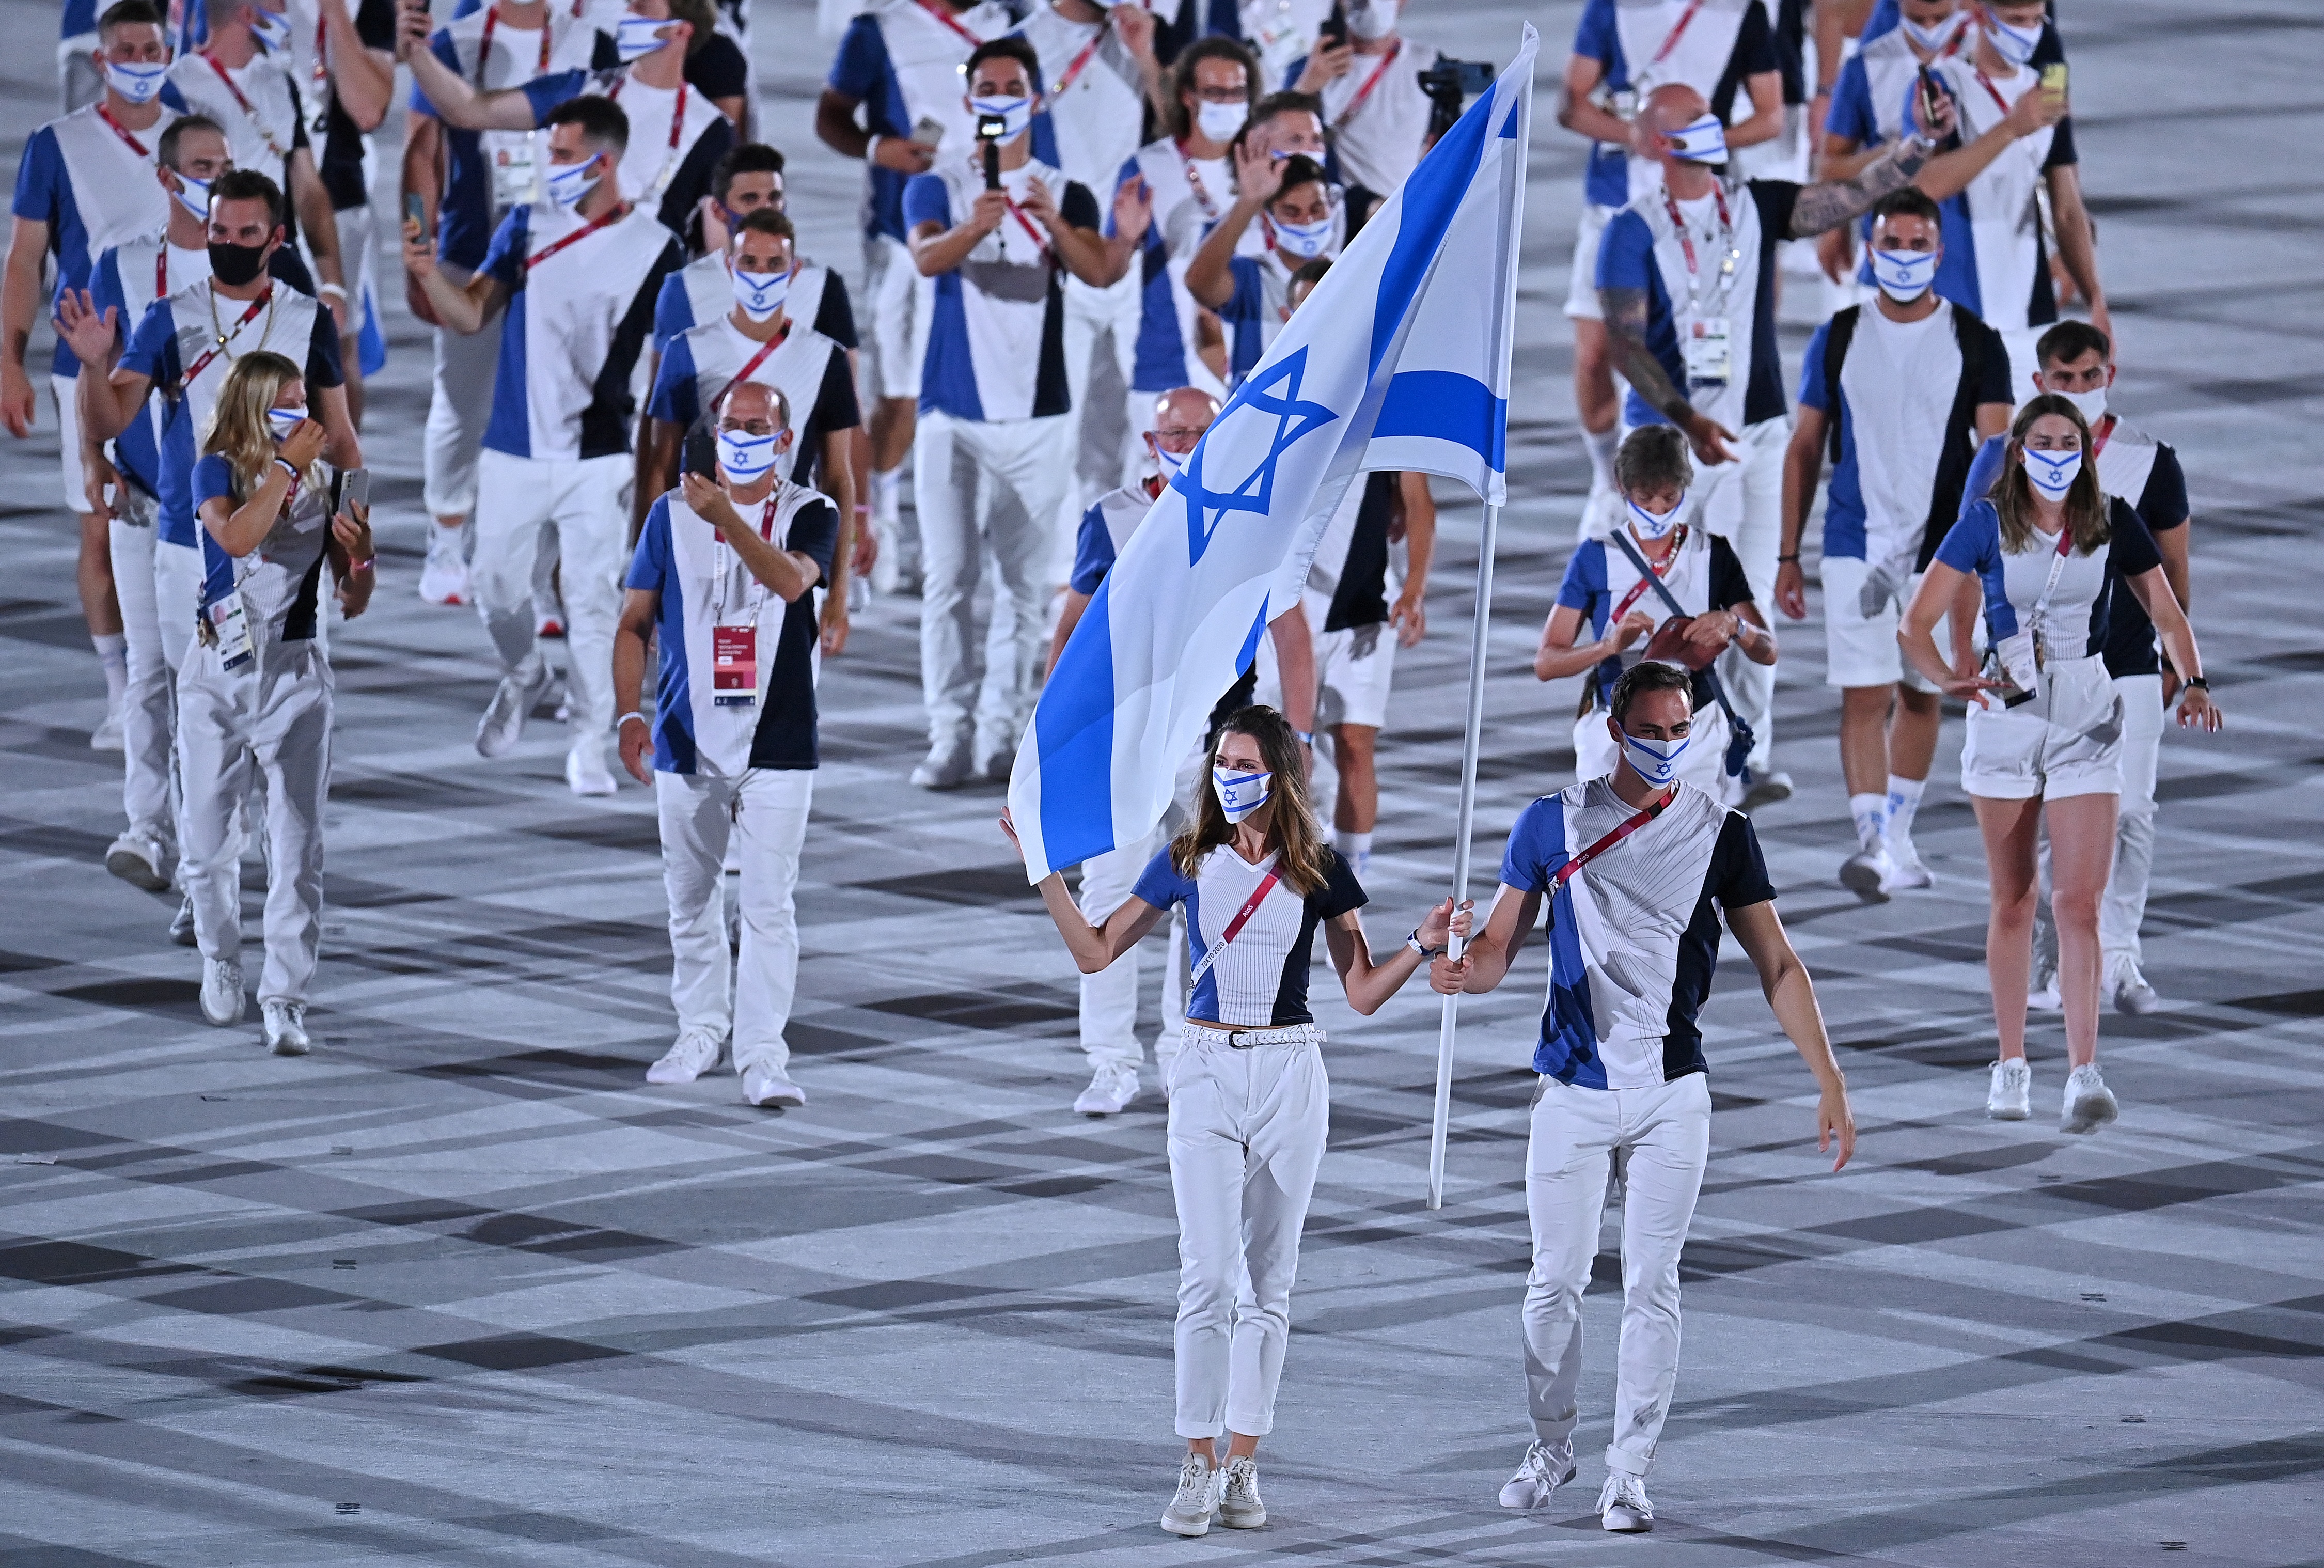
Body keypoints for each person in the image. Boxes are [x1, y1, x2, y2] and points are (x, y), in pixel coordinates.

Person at [1003, 702, 1462, 1538]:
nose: (1230, 774)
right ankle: (1196, 1460)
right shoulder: (1184, 858)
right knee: (1207, 1275)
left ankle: (1243, 1462)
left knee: (1270, 1282)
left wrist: (1423, 945)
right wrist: (1043, 870)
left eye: (1246, 762)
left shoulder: (1316, 868)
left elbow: (1360, 990)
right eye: (1223, 760)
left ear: (1281, 773)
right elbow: (1097, 951)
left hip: (1292, 1068)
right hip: (1205, 1068)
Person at [1432, 658, 1855, 1533]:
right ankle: (1553, 1445)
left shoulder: (1725, 832)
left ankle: (1629, 1472)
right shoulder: (1552, 823)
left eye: (1680, 730)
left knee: (1652, 1287)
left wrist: (1830, 1078)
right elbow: (1501, 950)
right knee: (1553, 1288)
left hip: (1673, 1094)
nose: (1667, 745)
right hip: (1573, 1091)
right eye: (1652, 730)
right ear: (1615, 729)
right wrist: (1461, 970)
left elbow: (1777, 964)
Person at [1596, 80, 1959, 810]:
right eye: (1696, 119)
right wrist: (1687, 419)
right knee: (1668, 604)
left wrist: (1917, 146)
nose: (1713, 126)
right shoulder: (1632, 231)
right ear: (1663, 141)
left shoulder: (1752, 205)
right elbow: (1626, 345)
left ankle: (1747, 750)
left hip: (1757, 435)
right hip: (1670, 448)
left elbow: (1848, 199)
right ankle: (1647, 748)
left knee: (1747, 601)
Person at [1899, 396, 2220, 1133]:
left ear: (2085, 448)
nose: (2055, 452)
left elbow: (2165, 611)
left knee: (2079, 902)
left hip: (2086, 709)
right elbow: (1914, 620)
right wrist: (1948, 675)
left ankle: (2084, 1074)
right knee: (2015, 899)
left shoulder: (2108, 518)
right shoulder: (1985, 521)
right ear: (2018, 451)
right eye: (2042, 440)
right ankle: (2011, 1065)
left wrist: (2194, 680)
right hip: (2007, 715)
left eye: (2067, 440)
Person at [1047, 385, 1322, 1116]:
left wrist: (1300, 735)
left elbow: (1292, 634)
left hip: (1220, 749)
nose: (1189, 442)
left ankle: (1182, 1050)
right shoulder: (1111, 518)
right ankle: (1109, 1061)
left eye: (1203, 430)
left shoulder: (1259, 520)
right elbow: (1073, 629)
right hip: (1129, 740)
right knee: (1109, 893)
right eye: (1177, 432)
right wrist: (1054, 733)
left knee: (1203, 897)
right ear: (1150, 439)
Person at [400, 94, 684, 796]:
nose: (548, 166)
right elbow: (470, 314)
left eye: (561, 155)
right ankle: (526, 673)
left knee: (591, 601)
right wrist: (425, 269)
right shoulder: (526, 225)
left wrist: (656, 471)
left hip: (599, 455)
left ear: (604, 160)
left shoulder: (659, 247)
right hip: (514, 449)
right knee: (494, 589)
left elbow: (665, 370)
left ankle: (591, 740)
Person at [1778, 186, 2012, 896]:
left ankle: (1899, 835)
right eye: (1891, 244)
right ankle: (1874, 842)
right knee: (1864, 693)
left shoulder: (1976, 340)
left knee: (1922, 694)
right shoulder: (1840, 335)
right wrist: (1788, 555)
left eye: (1917, 246)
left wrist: (1986, 562)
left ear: (1939, 255)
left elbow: (1997, 454)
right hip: (1855, 541)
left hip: (1942, 550)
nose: (1903, 257)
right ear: (1869, 250)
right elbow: (1805, 447)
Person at [614, 380, 837, 1109]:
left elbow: (792, 584)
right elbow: (633, 623)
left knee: (770, 907)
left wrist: (731, 522)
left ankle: (763, 1055)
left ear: (784, 439)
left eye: (758, 426)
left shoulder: (812, 512)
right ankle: (699, 1030)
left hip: (779, 741)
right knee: (691, 898)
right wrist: (627, 714)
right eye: (731, 424)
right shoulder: (670, 515)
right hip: (685, 737)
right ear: (713, 434)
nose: (742, 436)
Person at [1962, 321, 2192, 1016]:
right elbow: (1966, 563)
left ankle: (2119, 957)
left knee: (2132, 812)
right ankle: (2046, 945)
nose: (2077, 391)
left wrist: (2180, 662)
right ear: (2039, 384)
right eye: (2063, 380)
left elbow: (2174, 572)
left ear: (2108, 377)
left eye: (2089, 378)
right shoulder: (2002, 459)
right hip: (2024, 675)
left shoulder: (2151, 461)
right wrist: (1977, 657)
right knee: (2037, 819)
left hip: (2123, 663)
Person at [903, 36, 1113, 788]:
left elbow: (1097, 270)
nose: (999, 98)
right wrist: (975, 223)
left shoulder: (1066, 189)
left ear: (1037, 97)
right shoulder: (938, 183)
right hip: (951, 414)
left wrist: (1052, 222)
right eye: (986, 87)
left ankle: (999, 732)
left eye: (1012, 85)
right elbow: (926, 259)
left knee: (1024, 589)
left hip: (1040, 415)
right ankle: (947, 734)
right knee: (948, 580)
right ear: (968, 102)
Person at [4, 0, 187, 754]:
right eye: (128, 50)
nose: (142, 60)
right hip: (91, 363)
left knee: (192, 524)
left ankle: (190, 681)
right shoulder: (57, 144)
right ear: (102, 62)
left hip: (187, 358)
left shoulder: (198, 136)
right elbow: (24, 260)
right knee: (103, 532)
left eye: (154, 47)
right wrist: (8, 360)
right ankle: (122, 693)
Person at [180, 350, 374, 1052]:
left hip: (295, 677)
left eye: (304, 401)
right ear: (253, 410)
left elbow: (352, 600)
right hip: (219, 671)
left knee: (297, 849)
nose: (302, 414)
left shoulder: (335, 482)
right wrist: (287, 468)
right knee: (205, 841)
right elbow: (235, 538)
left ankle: (286, 997)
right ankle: (221, 955)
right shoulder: (218, 468)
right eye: (284, 403)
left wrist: (363, 557)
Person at [80, 113, 239, 896]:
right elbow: (97, 367)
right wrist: (93, 458)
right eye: (203, 164)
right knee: (150, 672)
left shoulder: (260, 269)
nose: (217, 175)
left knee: (217, 682)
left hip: (227, 517)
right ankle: (146, 829)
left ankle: (221, 841)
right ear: (168, 178)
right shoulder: (123, 261)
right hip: (143, 497)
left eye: (226, 162)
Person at [401, 0, 603, 607]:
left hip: (563, 257)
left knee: (557, 407)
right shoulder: (455, 44)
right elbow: (420, 153)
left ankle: (543, 571)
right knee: (463, 402)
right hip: (471, 246)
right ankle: (446, 535)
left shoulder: (588, 40)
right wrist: (416, 244)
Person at [1557, 0, 1781, 538]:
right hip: (1617, 199)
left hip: (1700, 212)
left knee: (1696, 358)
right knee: (1594, 355)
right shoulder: (1615, 8)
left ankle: (1691, 483)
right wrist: (1636, 135)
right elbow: (1571, 105)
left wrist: (1694, 144)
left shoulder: (1739, 13)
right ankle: (1609, 477)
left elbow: (1771, 115)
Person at [817, 0, 1016, 592]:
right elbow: (830, 117)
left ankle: (963, 528)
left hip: (986, 235)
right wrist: (878, 149)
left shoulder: (1008, 24)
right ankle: (877, 518)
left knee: (977, 388)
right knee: (899, 392)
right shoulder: (879, 31)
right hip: (902, 239)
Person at [1814, 0, 2071, 355]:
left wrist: (2059, 245)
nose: (1930, 28)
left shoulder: (2000, 44)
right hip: (1902, 251)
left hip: (1997, 267)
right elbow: (1833, 167)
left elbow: (2043, 160)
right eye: (1919, 19)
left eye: (1941, 17)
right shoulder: (1873, 62)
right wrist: (1905, 149)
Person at [1536, 424, 1775, 797]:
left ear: (1685, 487)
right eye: (1645, 498)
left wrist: (1735, 625)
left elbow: (1767, 649)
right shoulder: (1596, 558)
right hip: (1615, 732)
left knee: (1690, 851)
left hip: (1695, 730)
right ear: (1622, 488)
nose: (1658, 510)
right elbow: (1547, 663)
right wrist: (1609, 646)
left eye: (1669, 497)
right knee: (1609, 851)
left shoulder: (1713, 554)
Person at [397, 0, 737, 252]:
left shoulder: (593, 48)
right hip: (474, 257)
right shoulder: (447, 46)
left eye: (641, 7)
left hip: (636, 303)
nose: (627, 14)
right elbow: (424, 154)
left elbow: (718, 241)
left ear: (681, 30)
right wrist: (418, 244)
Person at [640, 209, 859, 595]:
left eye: (775, 264)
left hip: (788, 541)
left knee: (783, 658)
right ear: (729, 268)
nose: (761, 275)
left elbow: (838, 478)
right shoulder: (687, 350)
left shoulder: (827, 358)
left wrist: (839, 589)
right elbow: (661, 465)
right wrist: (651, 574)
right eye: (750, 263)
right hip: (702, 539)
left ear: (794, 272)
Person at [1022, 0, 1165, 543]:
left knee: (1135, 422)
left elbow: (1180, 127)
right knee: (1063, 426)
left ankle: (1132, 549)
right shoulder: (1026, 42)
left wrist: (1147, 57)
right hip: (1060, 260)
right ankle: (1062, 570)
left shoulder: (1146, 34)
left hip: (1136, 255)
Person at [1918, 0, 2101, 390]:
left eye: (2038, 20)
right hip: (1956, 308)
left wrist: (2095, 298)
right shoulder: (1942, 84)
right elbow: (1924, 187)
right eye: (2018, 21)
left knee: (2031, 446)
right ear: (1982, 16)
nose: (2030, 32)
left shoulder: (2046, 87)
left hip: (2030, 313)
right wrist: (2012, 128)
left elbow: (2067, 207)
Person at [1106, 38, 1259, 446]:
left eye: (1237, 92)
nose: (1228, 102)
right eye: (1215, 92)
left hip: (1255, 371)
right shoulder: (1145, 168)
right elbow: (1108, 270)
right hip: (1167, 370)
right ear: (1188, 97)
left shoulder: (1266, 168)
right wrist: (1123, 239)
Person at [167, 1, 349, 327]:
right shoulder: (178, 87)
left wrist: (333, 284)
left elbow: (308, 190)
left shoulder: (280, 82)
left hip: (280, 265)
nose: (286, 9)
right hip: (214, 270)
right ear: (248, 14)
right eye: (276, 3)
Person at [286, 0, 398, 425]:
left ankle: (347, 488)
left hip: (337, 200)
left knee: (336, 350)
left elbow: (368, 108)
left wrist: (333, 13)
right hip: (251, 199)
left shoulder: (366, 6)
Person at [1185, 148, 1339, 381]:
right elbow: (1198, 282)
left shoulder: (1351, 272)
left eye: (1317, 209)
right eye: (1292, 212)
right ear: (1268, 219)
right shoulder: (1251, 277)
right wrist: (1249, 201)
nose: (1307, 221)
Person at [1285, 0, 1448, 221]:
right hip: (1341, 218)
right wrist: (1305, 88)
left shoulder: (1430, 64)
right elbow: (1277, 137)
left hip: (1405, 213)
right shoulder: (1309, 69)